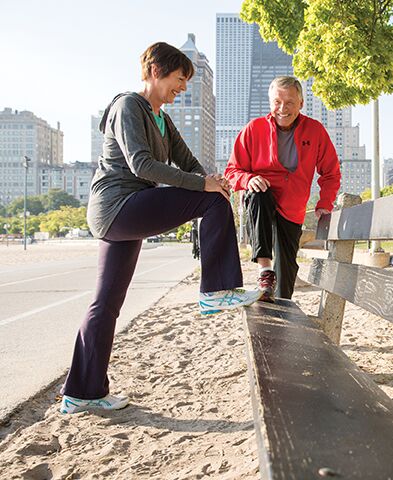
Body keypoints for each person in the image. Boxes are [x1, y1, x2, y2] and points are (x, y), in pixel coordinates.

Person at [59, 42, 261, 415]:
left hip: (131, 212)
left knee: (106, 304)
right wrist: (205, 187)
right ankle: (217, 290)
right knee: (211, 201)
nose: (182, 88)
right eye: (179, 79)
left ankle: (82, 392)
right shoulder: (127, 106)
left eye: (185, 82)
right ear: (155, 71)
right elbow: (141, 165)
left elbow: (187, 162)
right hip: (117, 207)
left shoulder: (162, 120)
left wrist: (211, 177)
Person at [225, 76, 341, 302]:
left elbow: (331, 173)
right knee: (258, 191)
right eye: (277, 102)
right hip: (260, 200)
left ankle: (281, 311)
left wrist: (324, 204)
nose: (282, 108)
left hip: (293, 208)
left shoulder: (315, 130)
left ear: (301, 104)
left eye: (289, 102)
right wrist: (248, 179)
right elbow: (232, 172)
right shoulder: (253, 129)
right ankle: (264, 269)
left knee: (286, 275)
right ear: (270, 103)